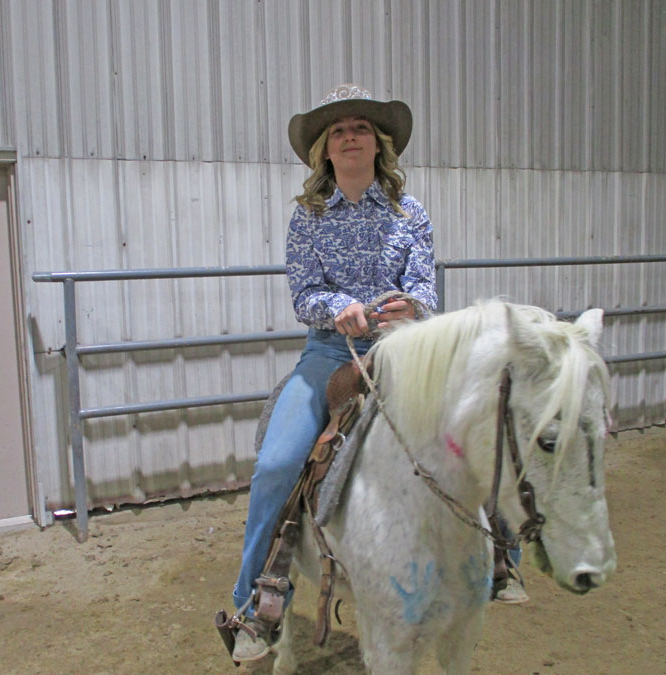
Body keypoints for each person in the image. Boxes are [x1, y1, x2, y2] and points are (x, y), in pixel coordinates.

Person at [230, 84, 438, 662]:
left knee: (467, 427)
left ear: (378, 144)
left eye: (361, 128)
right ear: (325, 148)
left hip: (400, 346)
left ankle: (498, 559)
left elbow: (426, 287)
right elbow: (304, 294)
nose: (350, 137)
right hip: (330, 351)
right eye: (339, 130)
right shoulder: (309, 215)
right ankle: (253, 605)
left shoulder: (410, 213)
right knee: (276, 465)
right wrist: (337, 307)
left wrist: (412, 307)